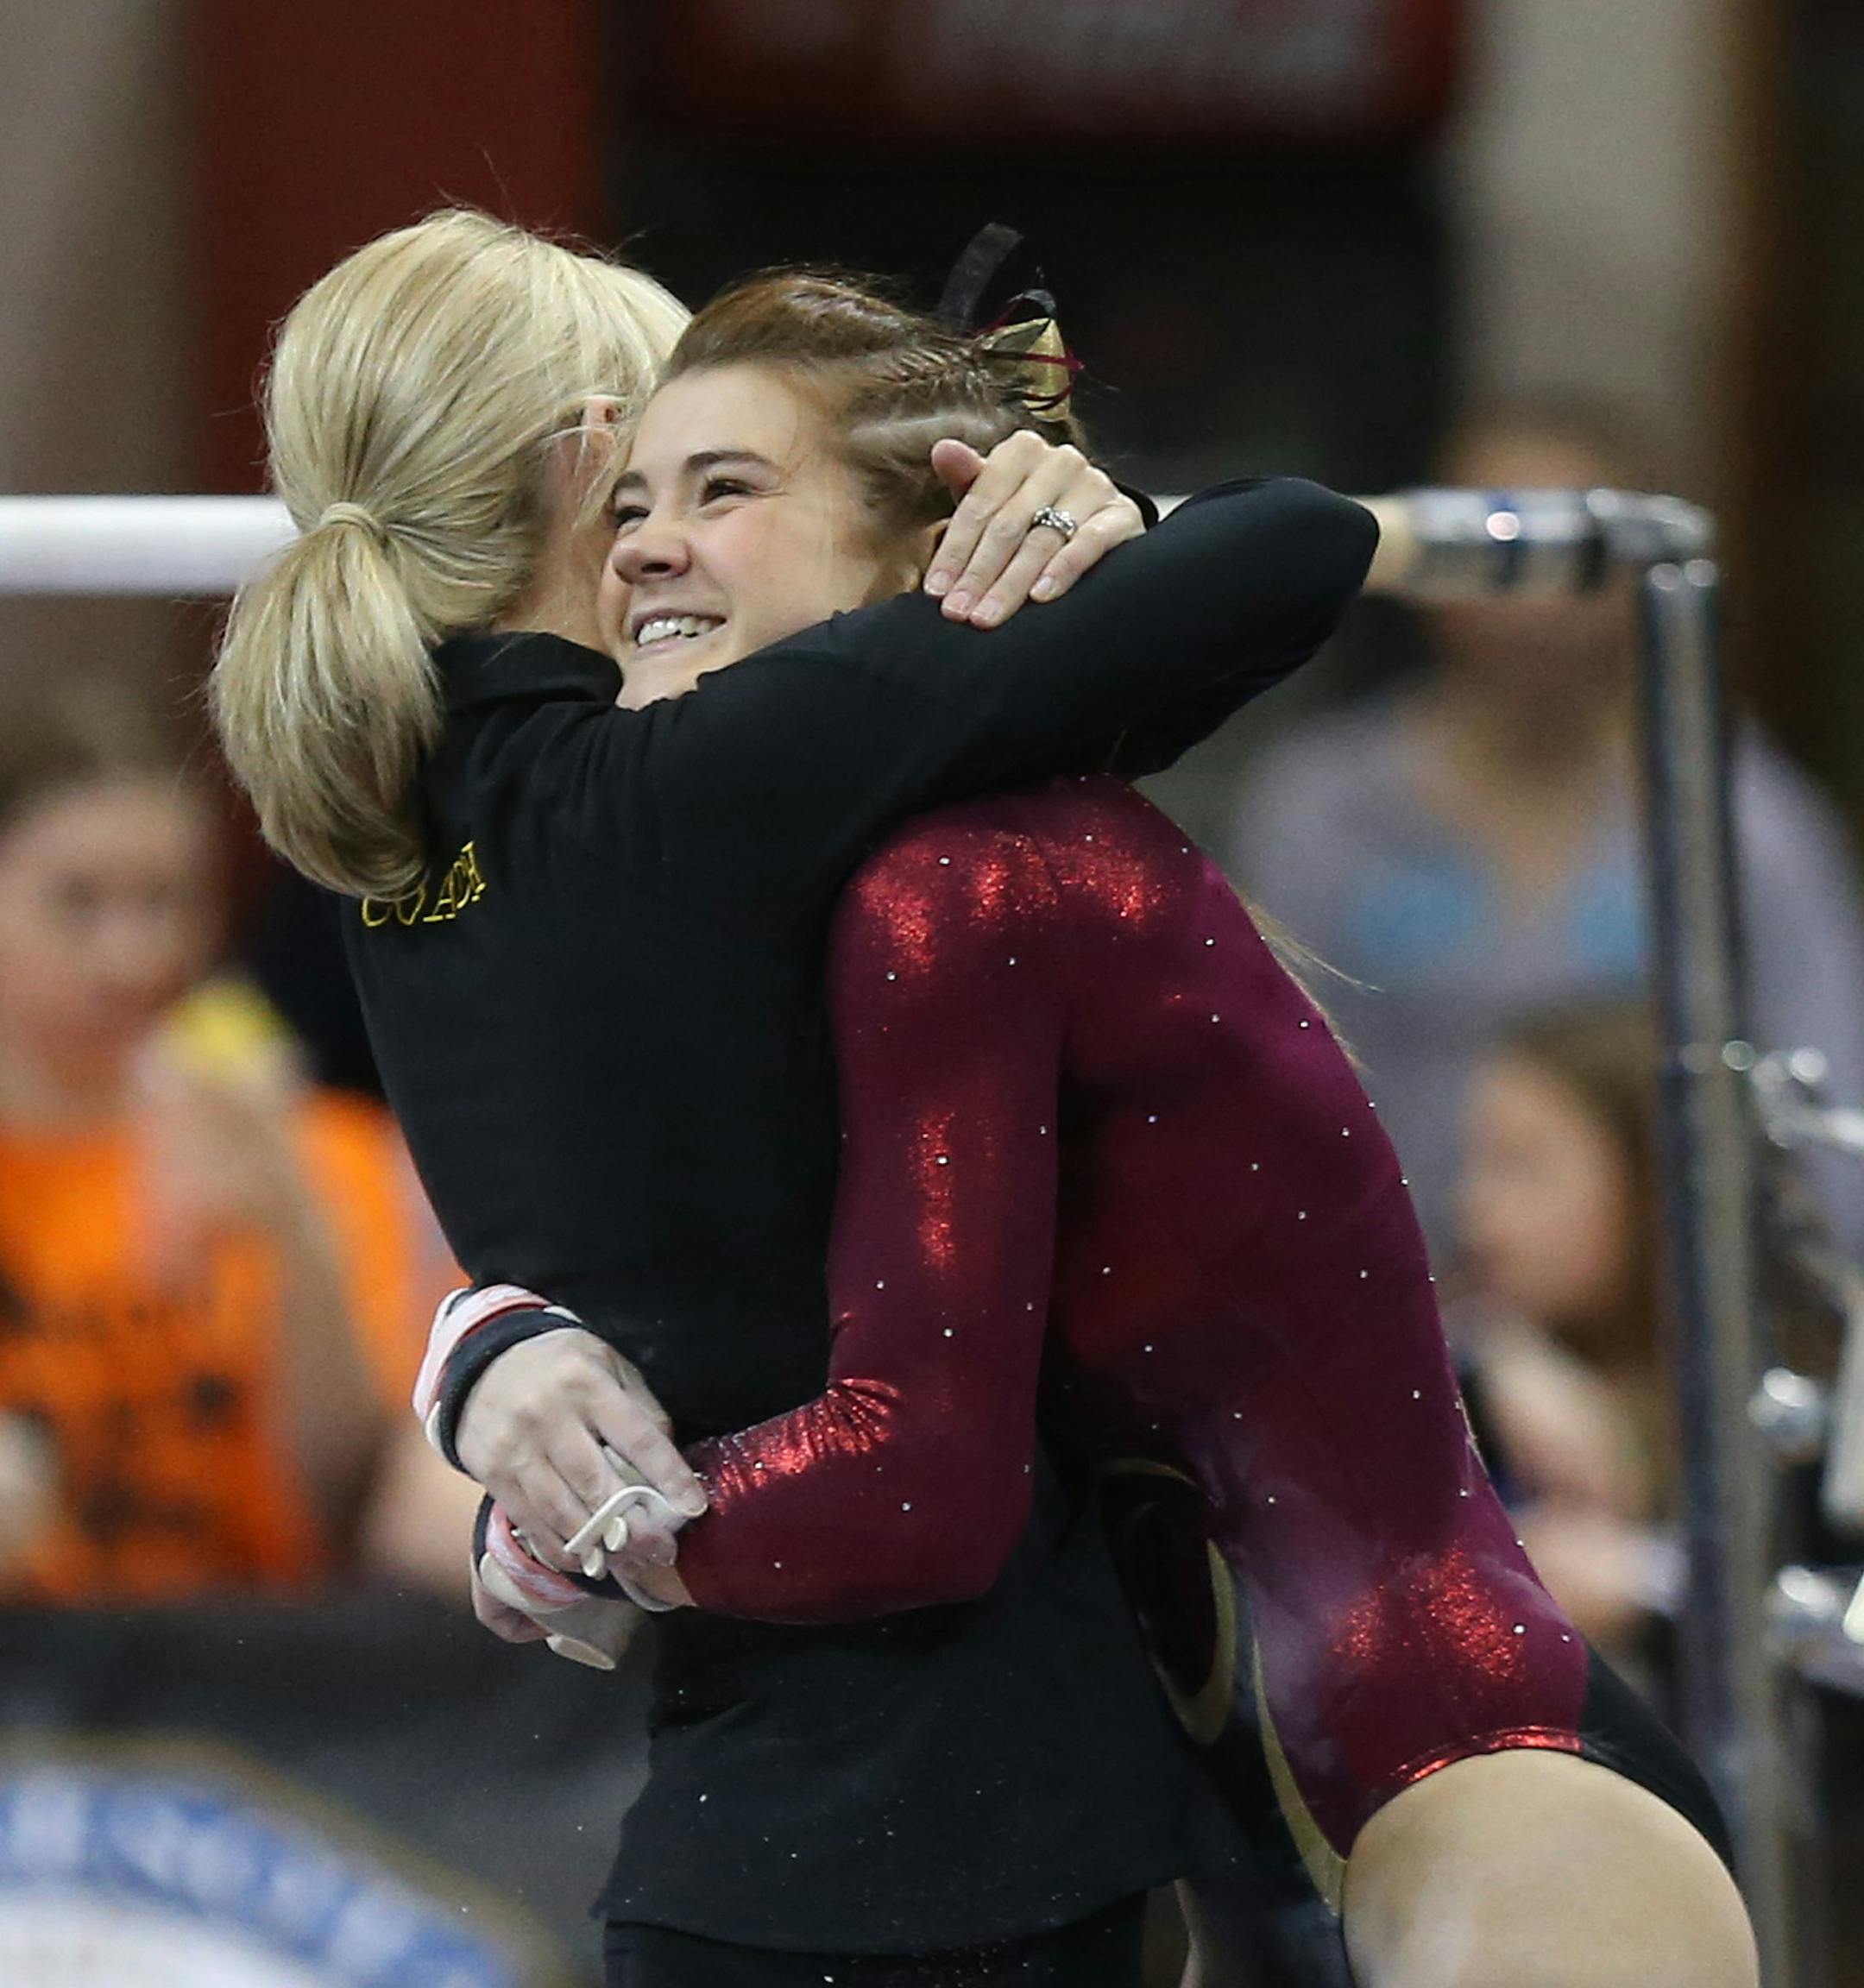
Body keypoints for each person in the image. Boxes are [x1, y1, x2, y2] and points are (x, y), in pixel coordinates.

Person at [459, 280, 1755, 1988]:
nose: (643, 548)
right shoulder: (837, 888)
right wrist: (494, 1352)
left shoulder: (966, 886)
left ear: (919, 545)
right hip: (1260, 1825)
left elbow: (920, 1472)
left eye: (723, 491)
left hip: (1476, 1806)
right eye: (631, 502)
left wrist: (604, 1526)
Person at [209, 213, 1381, 1986]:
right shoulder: (692, 789)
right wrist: (1072, 516)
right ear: (594, 467)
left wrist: (481, 1355)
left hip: (721, 1846)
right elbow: (1302, 544)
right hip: (974, 1835)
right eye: (669, 469)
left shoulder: (395, 861)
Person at [1226, 406, 1864, 1261]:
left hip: (1660, 1320)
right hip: (1385, 1298)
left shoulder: (1736, 812)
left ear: (1639, 564)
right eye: (1491, 552)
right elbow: (1254, 1093)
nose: (1529, 602)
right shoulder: (1322, 805)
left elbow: (1831, 1106)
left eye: (1566, 554)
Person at [0, 675, 461, 1604]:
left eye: (168, 901)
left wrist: (292, 1230)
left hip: (264, 1666)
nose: (131, 956)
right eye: (76, 902)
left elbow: (356, 1507)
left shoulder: (333, 1152)